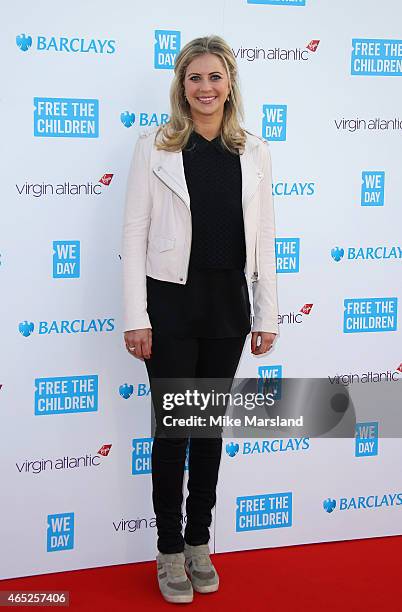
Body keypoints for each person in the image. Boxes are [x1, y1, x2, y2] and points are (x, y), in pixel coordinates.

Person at [122, 34, 279, 604]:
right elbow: (134, 235)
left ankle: (198, 544)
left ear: (230, 83)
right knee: (173, 432)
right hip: (170, 308)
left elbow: (264, 239)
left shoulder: (254, 151)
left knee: (208, 431)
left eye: (215, 76)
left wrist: (267, 314)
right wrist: (135, 316)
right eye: (195, 78)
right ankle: (167, 552)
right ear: (181, 86)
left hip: (227, 310)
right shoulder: (154, 147)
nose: (206, 87)